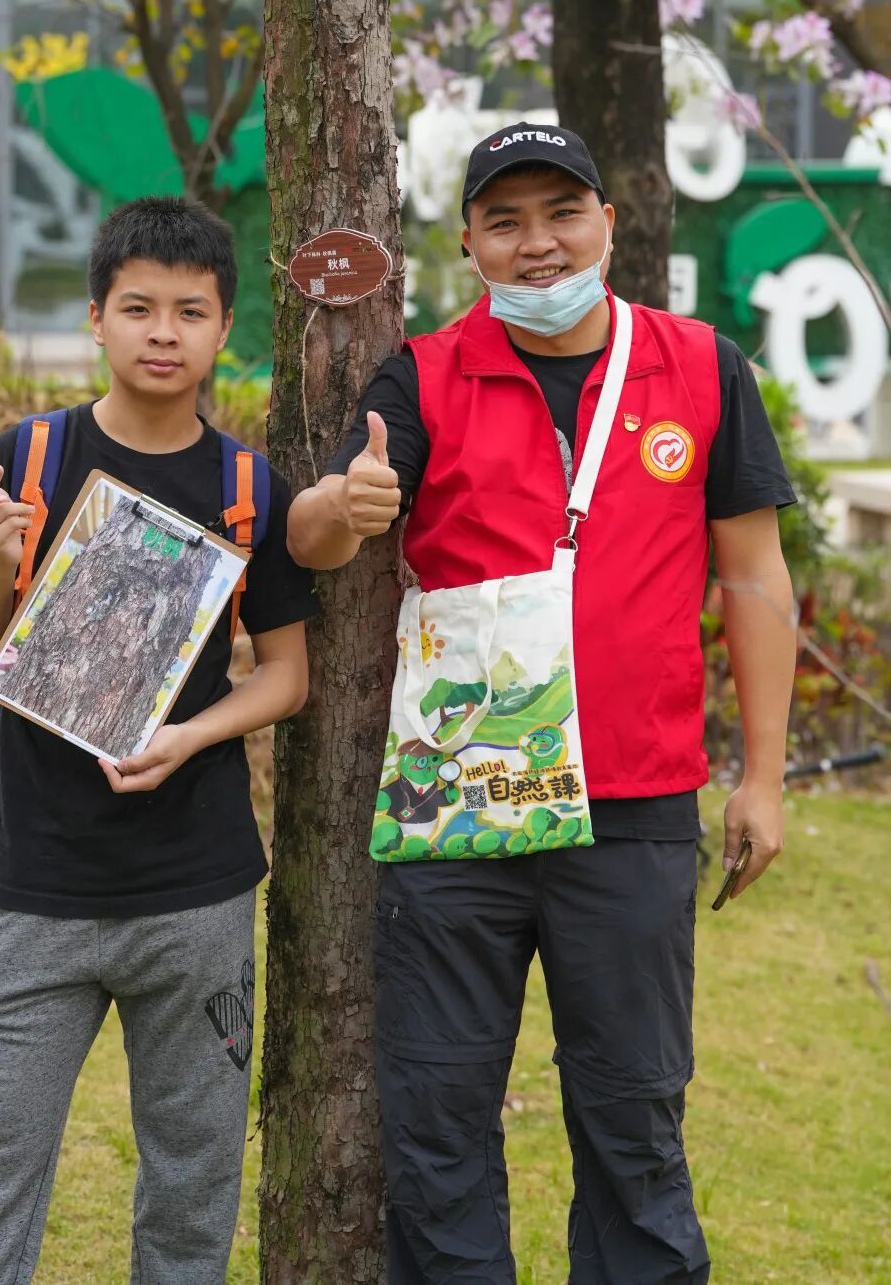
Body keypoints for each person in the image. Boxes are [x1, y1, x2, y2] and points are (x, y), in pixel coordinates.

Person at [287, 123, 796, 1285]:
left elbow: (755, 575)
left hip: (635, 806)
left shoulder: (701, 367)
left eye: (562, 213)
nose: (538, 244)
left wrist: (762, 778)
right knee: (437, 1123)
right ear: (467, 244)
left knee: (633, 1119)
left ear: (608, 223)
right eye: (504, 221)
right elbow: (316, 533)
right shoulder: (422, 375)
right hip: (461, 807)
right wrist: (340, 507)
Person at [0, 196, 318, 1284]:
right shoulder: (33, 457)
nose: (163, 332)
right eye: (138, 307)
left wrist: (190, 734)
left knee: (193, 1187)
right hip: (31, 890)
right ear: (95, 317)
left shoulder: (248, 488)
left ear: (224, 329)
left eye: (190, 312)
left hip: (195, 896)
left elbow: (287, 677)